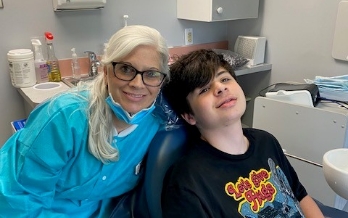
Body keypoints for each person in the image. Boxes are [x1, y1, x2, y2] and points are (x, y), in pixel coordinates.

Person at [0, 25, 170, 217]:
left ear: (161, 81)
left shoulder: (158, 122)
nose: (137, 84)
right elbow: (21, 200)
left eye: (151, 74)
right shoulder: (65, 118)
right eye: (125, 69)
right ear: (106, 72)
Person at [161, 49, 324, 218]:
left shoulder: (266, 141)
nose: (221, 88)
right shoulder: (187, 182)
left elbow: (299, 195)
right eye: (204, 89)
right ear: (189, 116)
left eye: (224, 79)